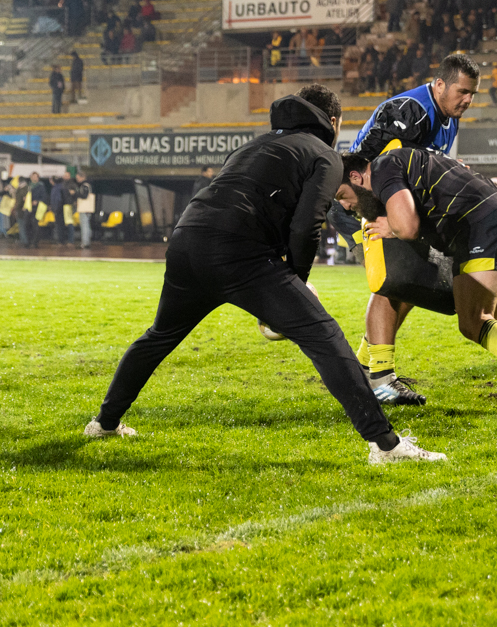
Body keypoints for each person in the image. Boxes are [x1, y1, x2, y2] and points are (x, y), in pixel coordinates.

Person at [83, 86, 444, 464]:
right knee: (324, 336)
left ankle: (105, 422)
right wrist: (297, 280)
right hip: (239, 252)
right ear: (333, 122)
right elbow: (306, 225)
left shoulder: (251, 146)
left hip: (187, 241)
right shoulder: (325, 155)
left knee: (159, 336)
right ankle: (386, 446)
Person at [336, 149, 497, 429]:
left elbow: (408, 228)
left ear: (355, 177)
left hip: (483, 222)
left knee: (474, 321)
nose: (346, 206)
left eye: (342, 196)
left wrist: (392, 226)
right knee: (487, 321)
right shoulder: (414, 160)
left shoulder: (383, 166)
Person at [340, 55, 478, 404]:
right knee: (394, 280)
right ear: (440, 84)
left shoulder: (448, 117)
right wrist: (390, 220)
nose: (468, 100)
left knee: (410, 282)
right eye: (462, 91)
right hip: (363, 202)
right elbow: (386, 171)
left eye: (473, 94)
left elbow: (419, 169)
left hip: (388, 203)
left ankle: (364, 366)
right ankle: (381, 378)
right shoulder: (412, 111)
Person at [75, 170, 94, 249]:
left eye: (78, 178)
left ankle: (85, 243)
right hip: (87, 209)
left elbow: (84, 196)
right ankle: (86, 242)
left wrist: (75, 194)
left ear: (82, 177)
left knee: (84, 225)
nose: (77, 180)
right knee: (86, 224)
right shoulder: (88, 184)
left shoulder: (85, 185)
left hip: (85, 208)